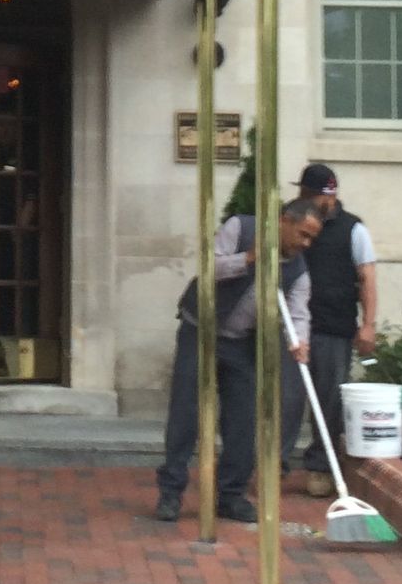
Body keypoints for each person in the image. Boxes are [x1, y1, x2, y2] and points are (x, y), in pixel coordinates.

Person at [156, 197, 320, 525]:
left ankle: (231, 496)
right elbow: (209, 267)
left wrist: (299, 342)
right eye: (302, 234)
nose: (306, 243)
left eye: (311, 238)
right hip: (199, 332)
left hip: (242, 343)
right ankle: (171, 493)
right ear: (285, 220)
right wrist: (248, 258)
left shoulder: (298, 271)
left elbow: (298, 312)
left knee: (243, 420)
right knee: (186, 414)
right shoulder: (241, 228)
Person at [285, 161, 380, 499]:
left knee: (328, 401)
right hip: (292, 328)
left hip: (333, 327)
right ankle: (275, 465)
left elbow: (367, 275)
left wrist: (368, 325)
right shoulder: (290, 218)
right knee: (287, 399)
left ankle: (320, 468)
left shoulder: (353, 229)